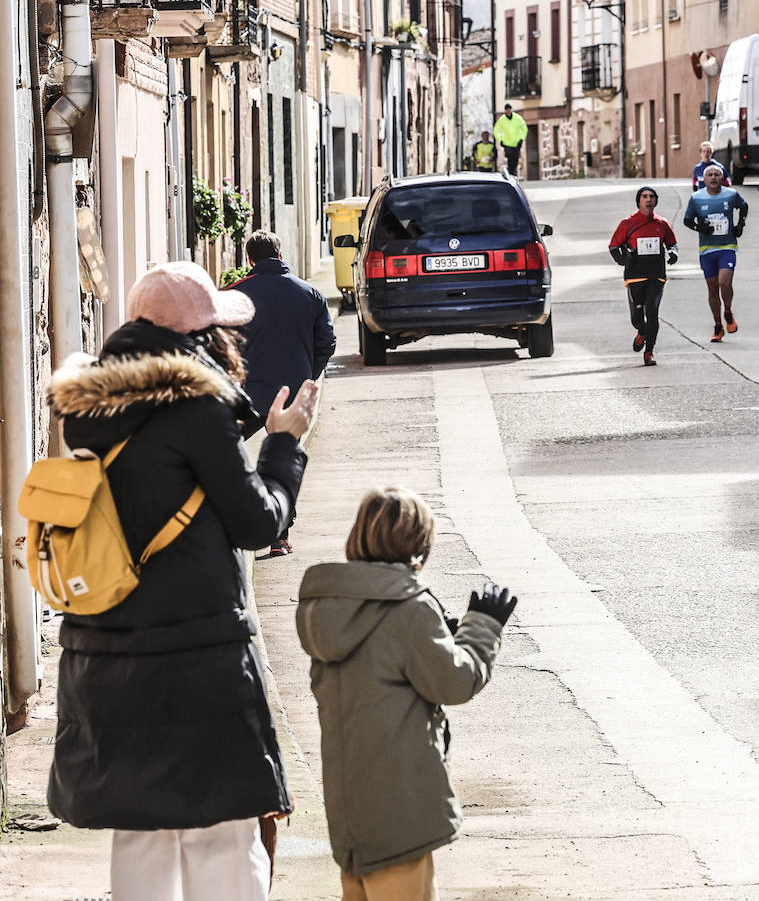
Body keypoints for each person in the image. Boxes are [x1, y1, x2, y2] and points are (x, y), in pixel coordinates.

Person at [45, 261, 318, 901]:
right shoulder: (197, 407)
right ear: (201, 338)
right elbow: (257, 522)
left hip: (105, 663)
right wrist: (284, 444)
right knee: (222, 837)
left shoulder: (88, 412)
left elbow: (151, 479)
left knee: (140, 837)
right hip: (197, 669)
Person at [296, 487, 515, 901]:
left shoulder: (327, 608)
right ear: (420, 544)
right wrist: (482, 627)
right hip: (401, 811)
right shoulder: (410, 608)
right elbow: (454, 682)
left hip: (350, 812)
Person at [231, 230, 336, 555]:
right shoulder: (310, 293)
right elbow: (328, 343)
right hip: (291, 392)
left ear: (250, 260)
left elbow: (221, 344)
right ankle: (280, 536)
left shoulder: (236, 296)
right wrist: (307, 376)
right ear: (280, 254)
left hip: (247, 396)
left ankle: (234, 522)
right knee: (284, 456)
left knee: (230, 453)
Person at [609, 185, 679, 366]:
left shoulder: (662, 223)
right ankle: (641, 331)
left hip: (656, 276)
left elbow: (672, 243)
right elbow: (614, 246)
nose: (648, 200)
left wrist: (673, 254)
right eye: (645, 196)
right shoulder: (628, 223)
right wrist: (622, 259)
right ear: (639, 201)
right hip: (635, 276)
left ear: (656, 201)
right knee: (637, 317)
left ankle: (649, 352)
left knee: (652, 312)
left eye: (652, 197)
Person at [683, 164, 748, 342]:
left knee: (724, 282)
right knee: (712, 288)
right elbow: (687, 220)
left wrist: (740, 225)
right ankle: (718, 325)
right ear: (704, 179)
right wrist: (699, 227)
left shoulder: (731, 194)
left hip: (727, 247)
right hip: (706, 250)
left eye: (716, 174)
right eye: (710, 175)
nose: (713, 177)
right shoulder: (696, 198)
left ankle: (727, 310)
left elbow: (744, 206)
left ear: (722, 178)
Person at [493, 104, 528, 176]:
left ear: (511, 110)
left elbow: (524, 129)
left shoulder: (518, 118)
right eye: (506, 110)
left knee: (515, 159)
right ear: (505, 110)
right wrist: (500, 140)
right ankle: (511, 173)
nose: (508, 111)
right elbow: (496, 130)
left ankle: (513, 172)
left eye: (509, 109)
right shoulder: (502, 119)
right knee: (509, 159)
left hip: (516, 143)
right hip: (507, 143)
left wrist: (521, 139)